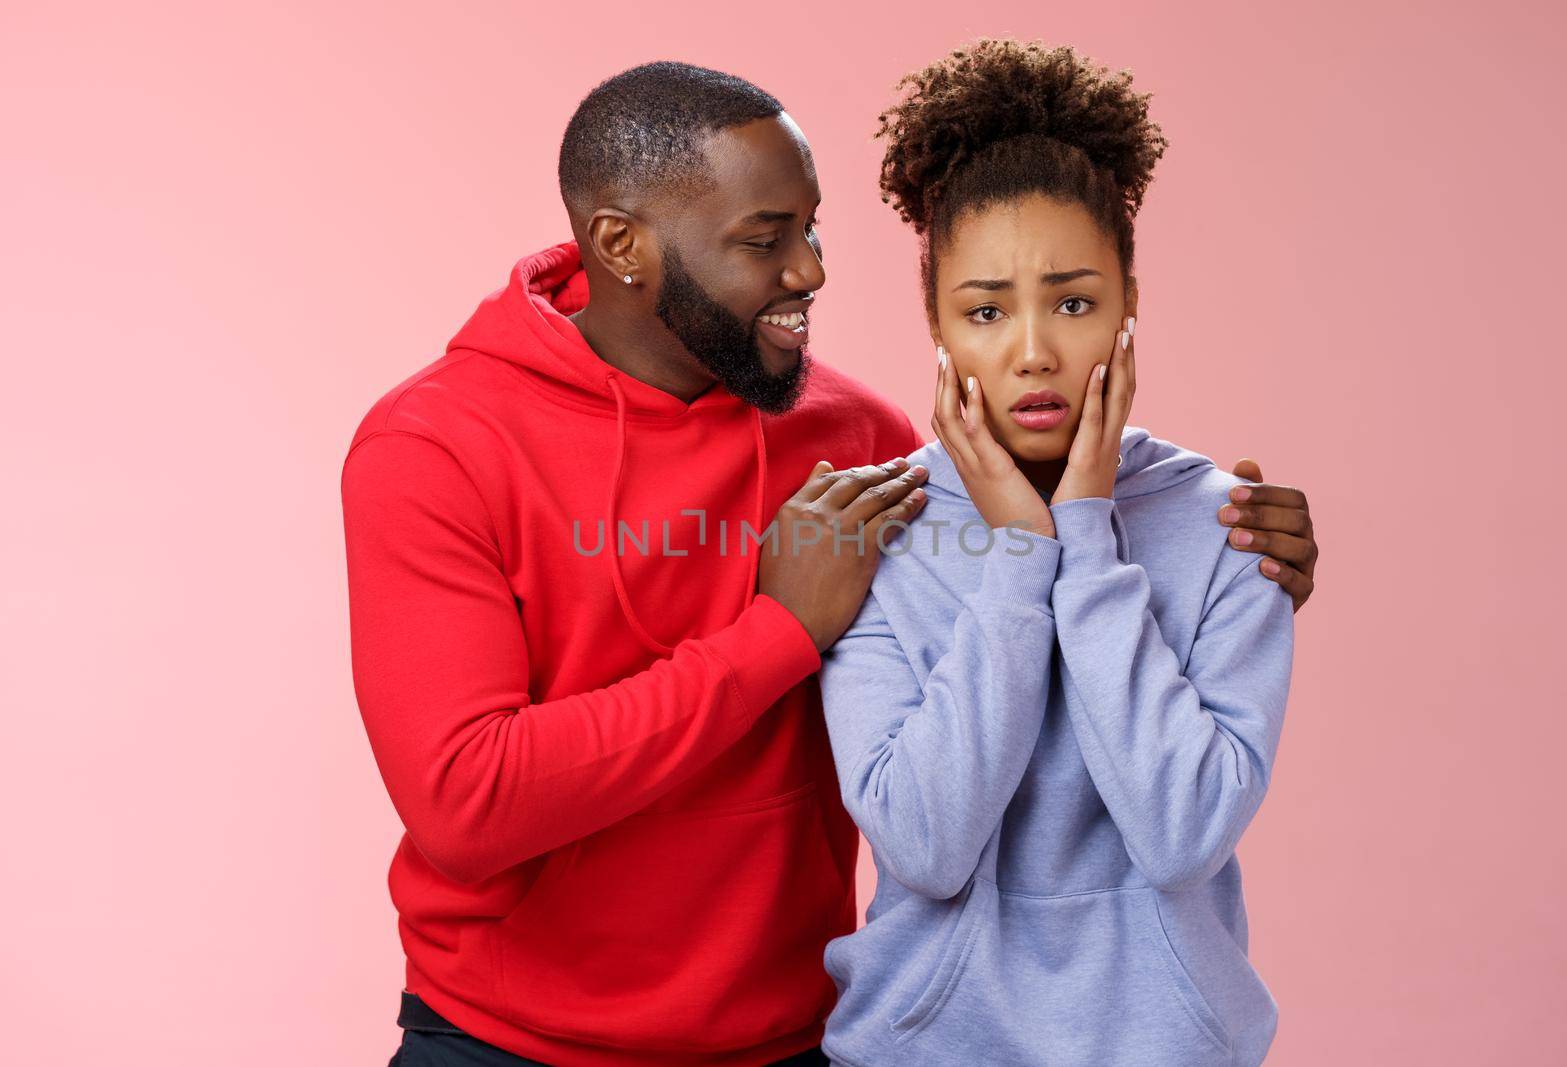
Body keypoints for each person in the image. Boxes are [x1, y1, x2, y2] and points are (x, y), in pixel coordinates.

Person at [340, 60, 1319, 1067]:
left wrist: (1231, 548)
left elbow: (1083, 667)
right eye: (765, 241)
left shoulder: (856, 443)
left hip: (785, 1040)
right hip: (504, 1041)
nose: (809, 270)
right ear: (623, 244)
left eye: (812, 229)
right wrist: (776, 632)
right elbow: (466, 800)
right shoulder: (434, 443)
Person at [816, 41, 1299, 1067]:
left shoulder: (1228, 525)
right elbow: (927, 845)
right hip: (921, 1046)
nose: (1031, 349)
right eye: (984, 310)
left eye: (1073, 302)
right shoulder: (881, 530)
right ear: (936, 325)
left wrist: (1083, 531)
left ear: (1131, 304)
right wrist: (1021, 559)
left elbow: (1179, 832)